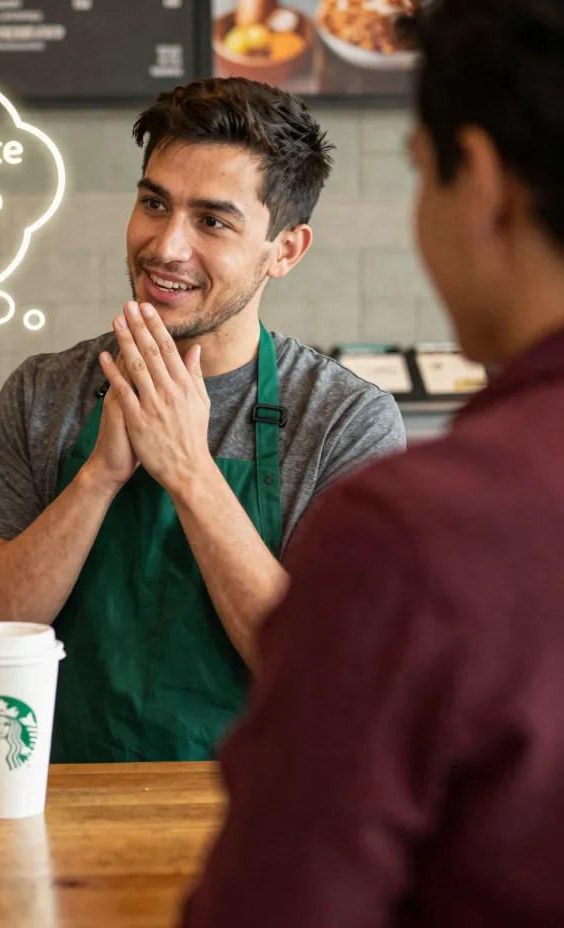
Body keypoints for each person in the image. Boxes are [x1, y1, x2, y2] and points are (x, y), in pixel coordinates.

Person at [182, 1, 564, 924]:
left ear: (479, 180)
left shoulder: (412, 531)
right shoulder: (50, 392)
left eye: (420, 173)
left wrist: (183, 469)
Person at [0, 77, 407, 763]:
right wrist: (98, 477)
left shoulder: (347, 422)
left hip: (261, 825)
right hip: (63, 808)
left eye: (213, 221)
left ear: (286, 250)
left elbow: (322, 665)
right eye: (153, 203)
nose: (165, 247)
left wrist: (189, 469)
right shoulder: (45, 393)